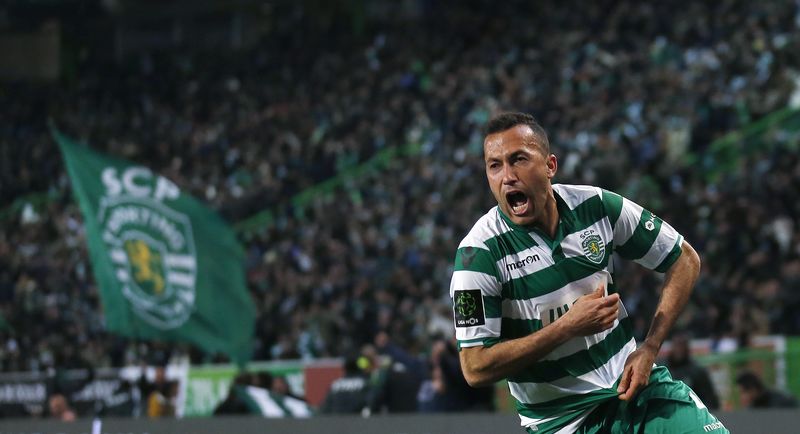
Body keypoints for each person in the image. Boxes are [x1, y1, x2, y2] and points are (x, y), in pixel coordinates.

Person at [451, 112, 727, 433]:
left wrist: (650, 347)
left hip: (634, 389)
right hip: (564, 421)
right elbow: (474, 368)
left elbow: (684, 260)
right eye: (494, 165)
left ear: (550, 166)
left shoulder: (595, 206)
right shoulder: (476, 256)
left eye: (519, 160)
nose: (507, 176)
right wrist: (566, 327)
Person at [666, 333, 720, 409]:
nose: (678, 349)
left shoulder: (697, 371)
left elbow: (710, 398)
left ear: (686, 348)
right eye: (676, 345)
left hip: (692, 412)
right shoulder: (664, 370)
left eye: (681, 346)